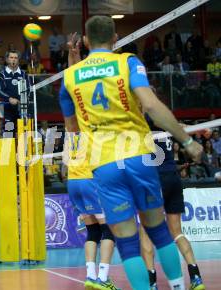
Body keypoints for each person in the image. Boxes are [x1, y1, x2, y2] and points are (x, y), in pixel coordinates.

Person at [59, 16, 202, 290]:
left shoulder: (69, 77)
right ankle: (178, 287)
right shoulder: (128, 63)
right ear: (115, 39)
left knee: (127, 243)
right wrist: (186, 141)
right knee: (160, 232)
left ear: (86, 41)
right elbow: (150, 104)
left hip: (104, 165)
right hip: (139, 156)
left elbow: (72, 127)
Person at [62, 35, 120, 290]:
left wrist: (72, 55)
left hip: (73, 181)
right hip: (88, 178)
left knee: (92, 232)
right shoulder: (90, 124)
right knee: (110, 230)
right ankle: (103, 278)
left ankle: (90, 276)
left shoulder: (69, 126)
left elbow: (72, 81)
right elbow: (81, 86)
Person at [140, 115, 205, 290]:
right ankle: (196, 277)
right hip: (173, 178)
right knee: (177, 232)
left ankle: (151, 283)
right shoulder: (166, 122)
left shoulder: (143, 119)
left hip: (155, 179)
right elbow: (180, 126)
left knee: (145, 232)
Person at [0, 50, 30, 126]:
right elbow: (0, 91)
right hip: (6, 108)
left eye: (16, 57)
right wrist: (10, 98)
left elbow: (28, 89)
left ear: (18, 60)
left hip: (22, 108)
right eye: (11, 57)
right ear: (7, 60)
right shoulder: (1, 74)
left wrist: (23, 100)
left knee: (23, 133)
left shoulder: (24, 74)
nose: (14, 59)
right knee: (9, 134)